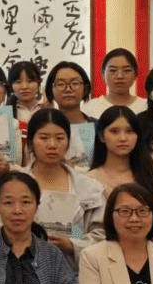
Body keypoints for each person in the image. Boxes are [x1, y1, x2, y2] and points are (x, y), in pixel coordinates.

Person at [87, 106, 153, 246]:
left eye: (130, 131)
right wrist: (75, 244)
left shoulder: (151, 181)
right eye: (114, 131)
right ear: (101, 136)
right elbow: (77, 226)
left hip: (147, 256)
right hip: (97, 255)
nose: (123, 138)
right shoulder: (87, 181)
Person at [24, 109, 105, 267]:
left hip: (76, 272)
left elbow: (102, 235)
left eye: (59, 138)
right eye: (43, 138)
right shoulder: (14, 185)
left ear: (68, 142)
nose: (52, 145)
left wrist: (73, 245)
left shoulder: (89, 187)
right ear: (31, 142)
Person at [44, 61, 95, 169]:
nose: (68, 89)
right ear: (51, 90)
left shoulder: (98, 127)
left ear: (85, 88)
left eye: (75, 83)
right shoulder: (42, 128)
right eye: (61, 84)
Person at [82, 48, 145, 118]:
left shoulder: (146, 107)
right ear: (103, 74)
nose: (120, 76)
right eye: (113, 70)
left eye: (127, 70)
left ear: (135, 75)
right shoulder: (88, 108)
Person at [8, 61, 48, 130]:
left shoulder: (47, 108)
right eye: (18, 82)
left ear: (39, 83)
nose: (24, 87)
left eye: (30, 81)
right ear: (11, 86)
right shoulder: (5, 114)